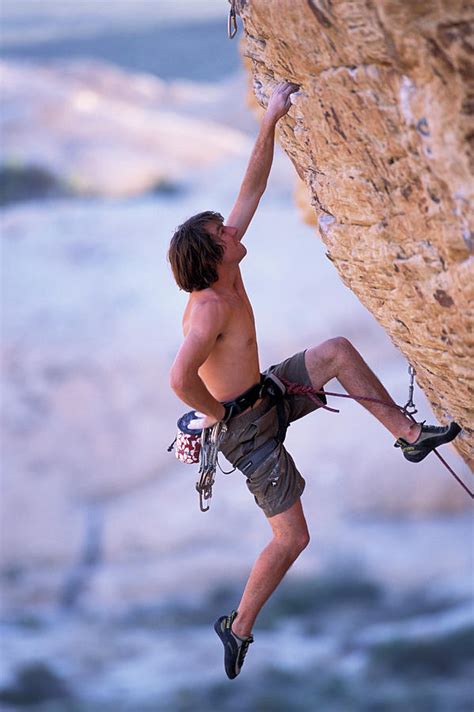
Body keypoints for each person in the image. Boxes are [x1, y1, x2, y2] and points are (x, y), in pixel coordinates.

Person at [168, 81, 461, 680]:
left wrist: (271, 118)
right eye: (224, 233)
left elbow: (249, 187)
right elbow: (178, 378)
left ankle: (407, 435)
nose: (234, 231)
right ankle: (239, 626)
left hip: (266, 391)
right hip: (246, 431)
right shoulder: (208, 310)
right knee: (293, 538)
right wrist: (218, 417)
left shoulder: (228, 268)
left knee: (335, 352)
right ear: (213, 256)